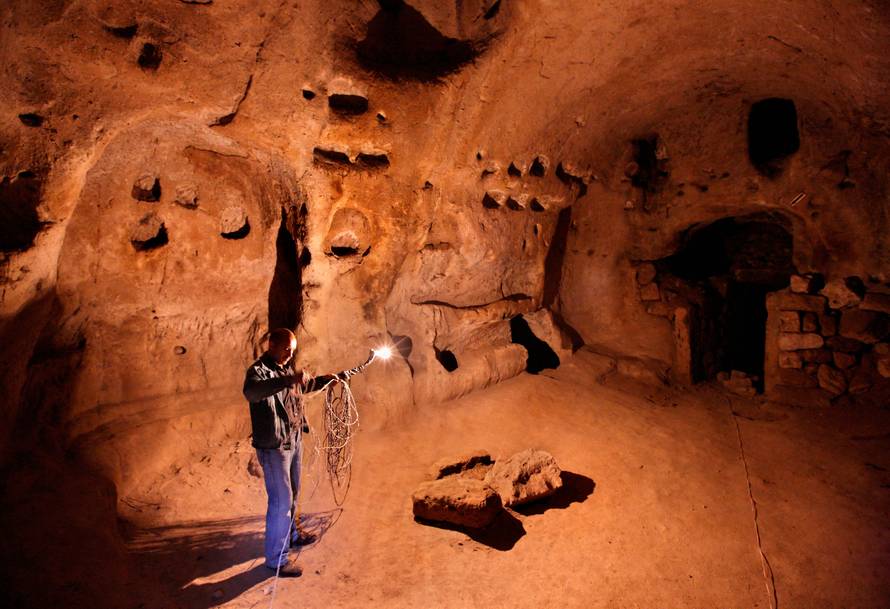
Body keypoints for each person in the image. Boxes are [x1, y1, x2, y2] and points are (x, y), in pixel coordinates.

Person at [243, 328, 339, 577]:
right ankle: (276, 560)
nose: (289, 354)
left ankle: (292, 535)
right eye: (286, 349)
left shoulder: (284, 368)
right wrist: (288, 379)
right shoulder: (258, 371)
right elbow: (251, 393)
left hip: (293, 438)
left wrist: (327, 379)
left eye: (292, 351)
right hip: (274, 447)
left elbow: (298, 389)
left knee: (294, 493)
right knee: (281, 502)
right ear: (271, 345)